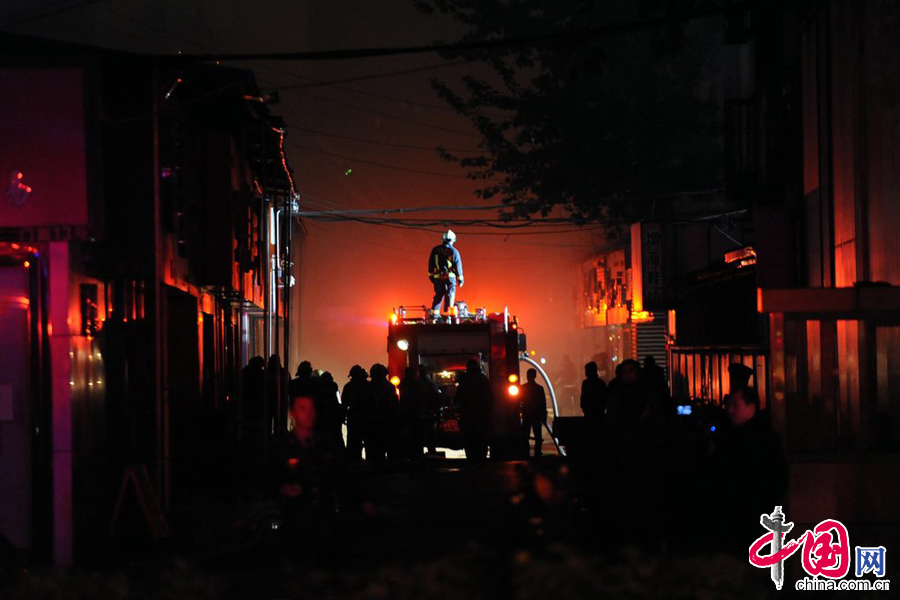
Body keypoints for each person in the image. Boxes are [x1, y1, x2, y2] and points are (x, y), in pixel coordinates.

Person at [710, 385, 788, 553]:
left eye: (735, 405)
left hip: (749, 515)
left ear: (751, 407)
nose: (730, 410)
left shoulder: (760, 441)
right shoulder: (737, 436)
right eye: (729, 405)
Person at [270, 393, 344, 560]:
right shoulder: (282, 446)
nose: (309, 413)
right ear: (293, 413)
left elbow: (340, 477)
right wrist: (282, 488)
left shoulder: (326, 443)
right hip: (294, 517)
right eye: (303, 409)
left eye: (311, 409)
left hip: (325, 517)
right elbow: (268, 478)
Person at [455, 359, 493, 463]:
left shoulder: (465, 381)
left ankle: (472, 460)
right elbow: (491, 397)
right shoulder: (483, 379)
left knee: (470, 439)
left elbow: (458, 399)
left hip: (468, 416)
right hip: (482, 415)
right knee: (482, 438)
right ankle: (481, 459)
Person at [427, 229, 464, 318]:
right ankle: (448, 316)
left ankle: (434, 316)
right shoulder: (454, 251)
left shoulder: (435, 250)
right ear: (452, 240)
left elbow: (431, 264)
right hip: (449, 277)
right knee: (450, 294)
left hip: (437, 277)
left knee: (438, 295)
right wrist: (460, 279)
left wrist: (431, 276)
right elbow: (457, 265)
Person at [342, 365, 372, 461]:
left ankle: (355, 462)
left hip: (355, 418)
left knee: (353, 443)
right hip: (367, 418)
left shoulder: (348, 387)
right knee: (369, 442)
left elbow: (344, 404)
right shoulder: (369, 386)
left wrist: (343, 416)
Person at [520, 368, 548, 458]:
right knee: (538, 436)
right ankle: (537, 453)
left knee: (525, 435)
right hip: (536, 415)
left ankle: (525, 452)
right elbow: (543, 404)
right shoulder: (539, 389)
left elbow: (519, 401)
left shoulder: (523, 388)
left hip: (527, 414)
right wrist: (543, 416)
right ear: (535, 376)